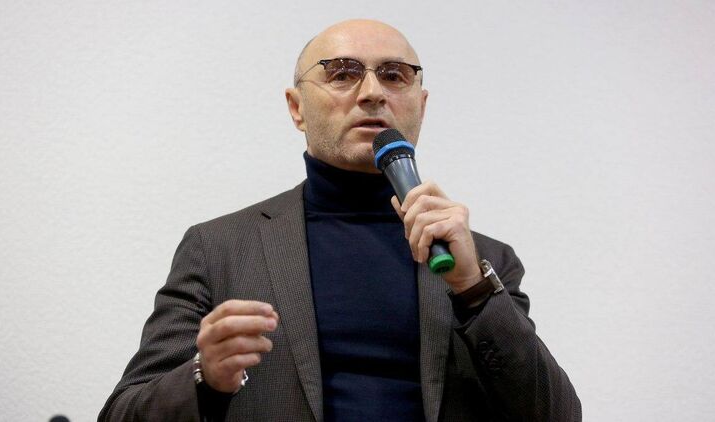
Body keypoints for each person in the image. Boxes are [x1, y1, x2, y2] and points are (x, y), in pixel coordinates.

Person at [99, 19, 581, 422]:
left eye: (394, 76)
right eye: (343, 73)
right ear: (297, 108)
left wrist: (473, 290)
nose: (372, 93)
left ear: (421, 105)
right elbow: (122, 413)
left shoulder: (484, 261)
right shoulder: (219, 248)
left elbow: (556, 415)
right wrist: (205, 378)